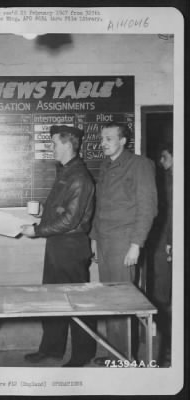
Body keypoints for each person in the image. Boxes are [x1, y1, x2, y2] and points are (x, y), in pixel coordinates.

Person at [21, 125, 97, 367]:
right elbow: (61, 212)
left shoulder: (79, 176)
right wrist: (42, 218)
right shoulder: (66, 171)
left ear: (67, 144)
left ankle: (82, 354)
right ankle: (52, 349)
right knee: (51, 300)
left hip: (71, 248)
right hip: (58, 245)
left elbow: (70, 220)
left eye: (54, 143)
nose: (51, 148)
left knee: (75, 303)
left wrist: (38, 230)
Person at [90, 122, 158, 365]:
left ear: (123, 141)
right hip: (106, 241)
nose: (103, 143)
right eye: (102, 138)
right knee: (110, 300)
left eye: (109, 138)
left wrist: (136, 244)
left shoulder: (139, 165)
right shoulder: (106, 166)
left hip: (124, 241)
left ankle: (123, 358)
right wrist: (95, 240)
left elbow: (148, 208)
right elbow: (101, 207)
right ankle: (115, 354)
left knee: (121, 299)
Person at [149, 143, 173, 366]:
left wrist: (169, 244)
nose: (161, 162)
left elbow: (171, 215)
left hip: (167, 246)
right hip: (165, 244)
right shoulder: (168, 178)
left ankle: (168, 351)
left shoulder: (173, 181)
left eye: (164, 157)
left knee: (164, 297)